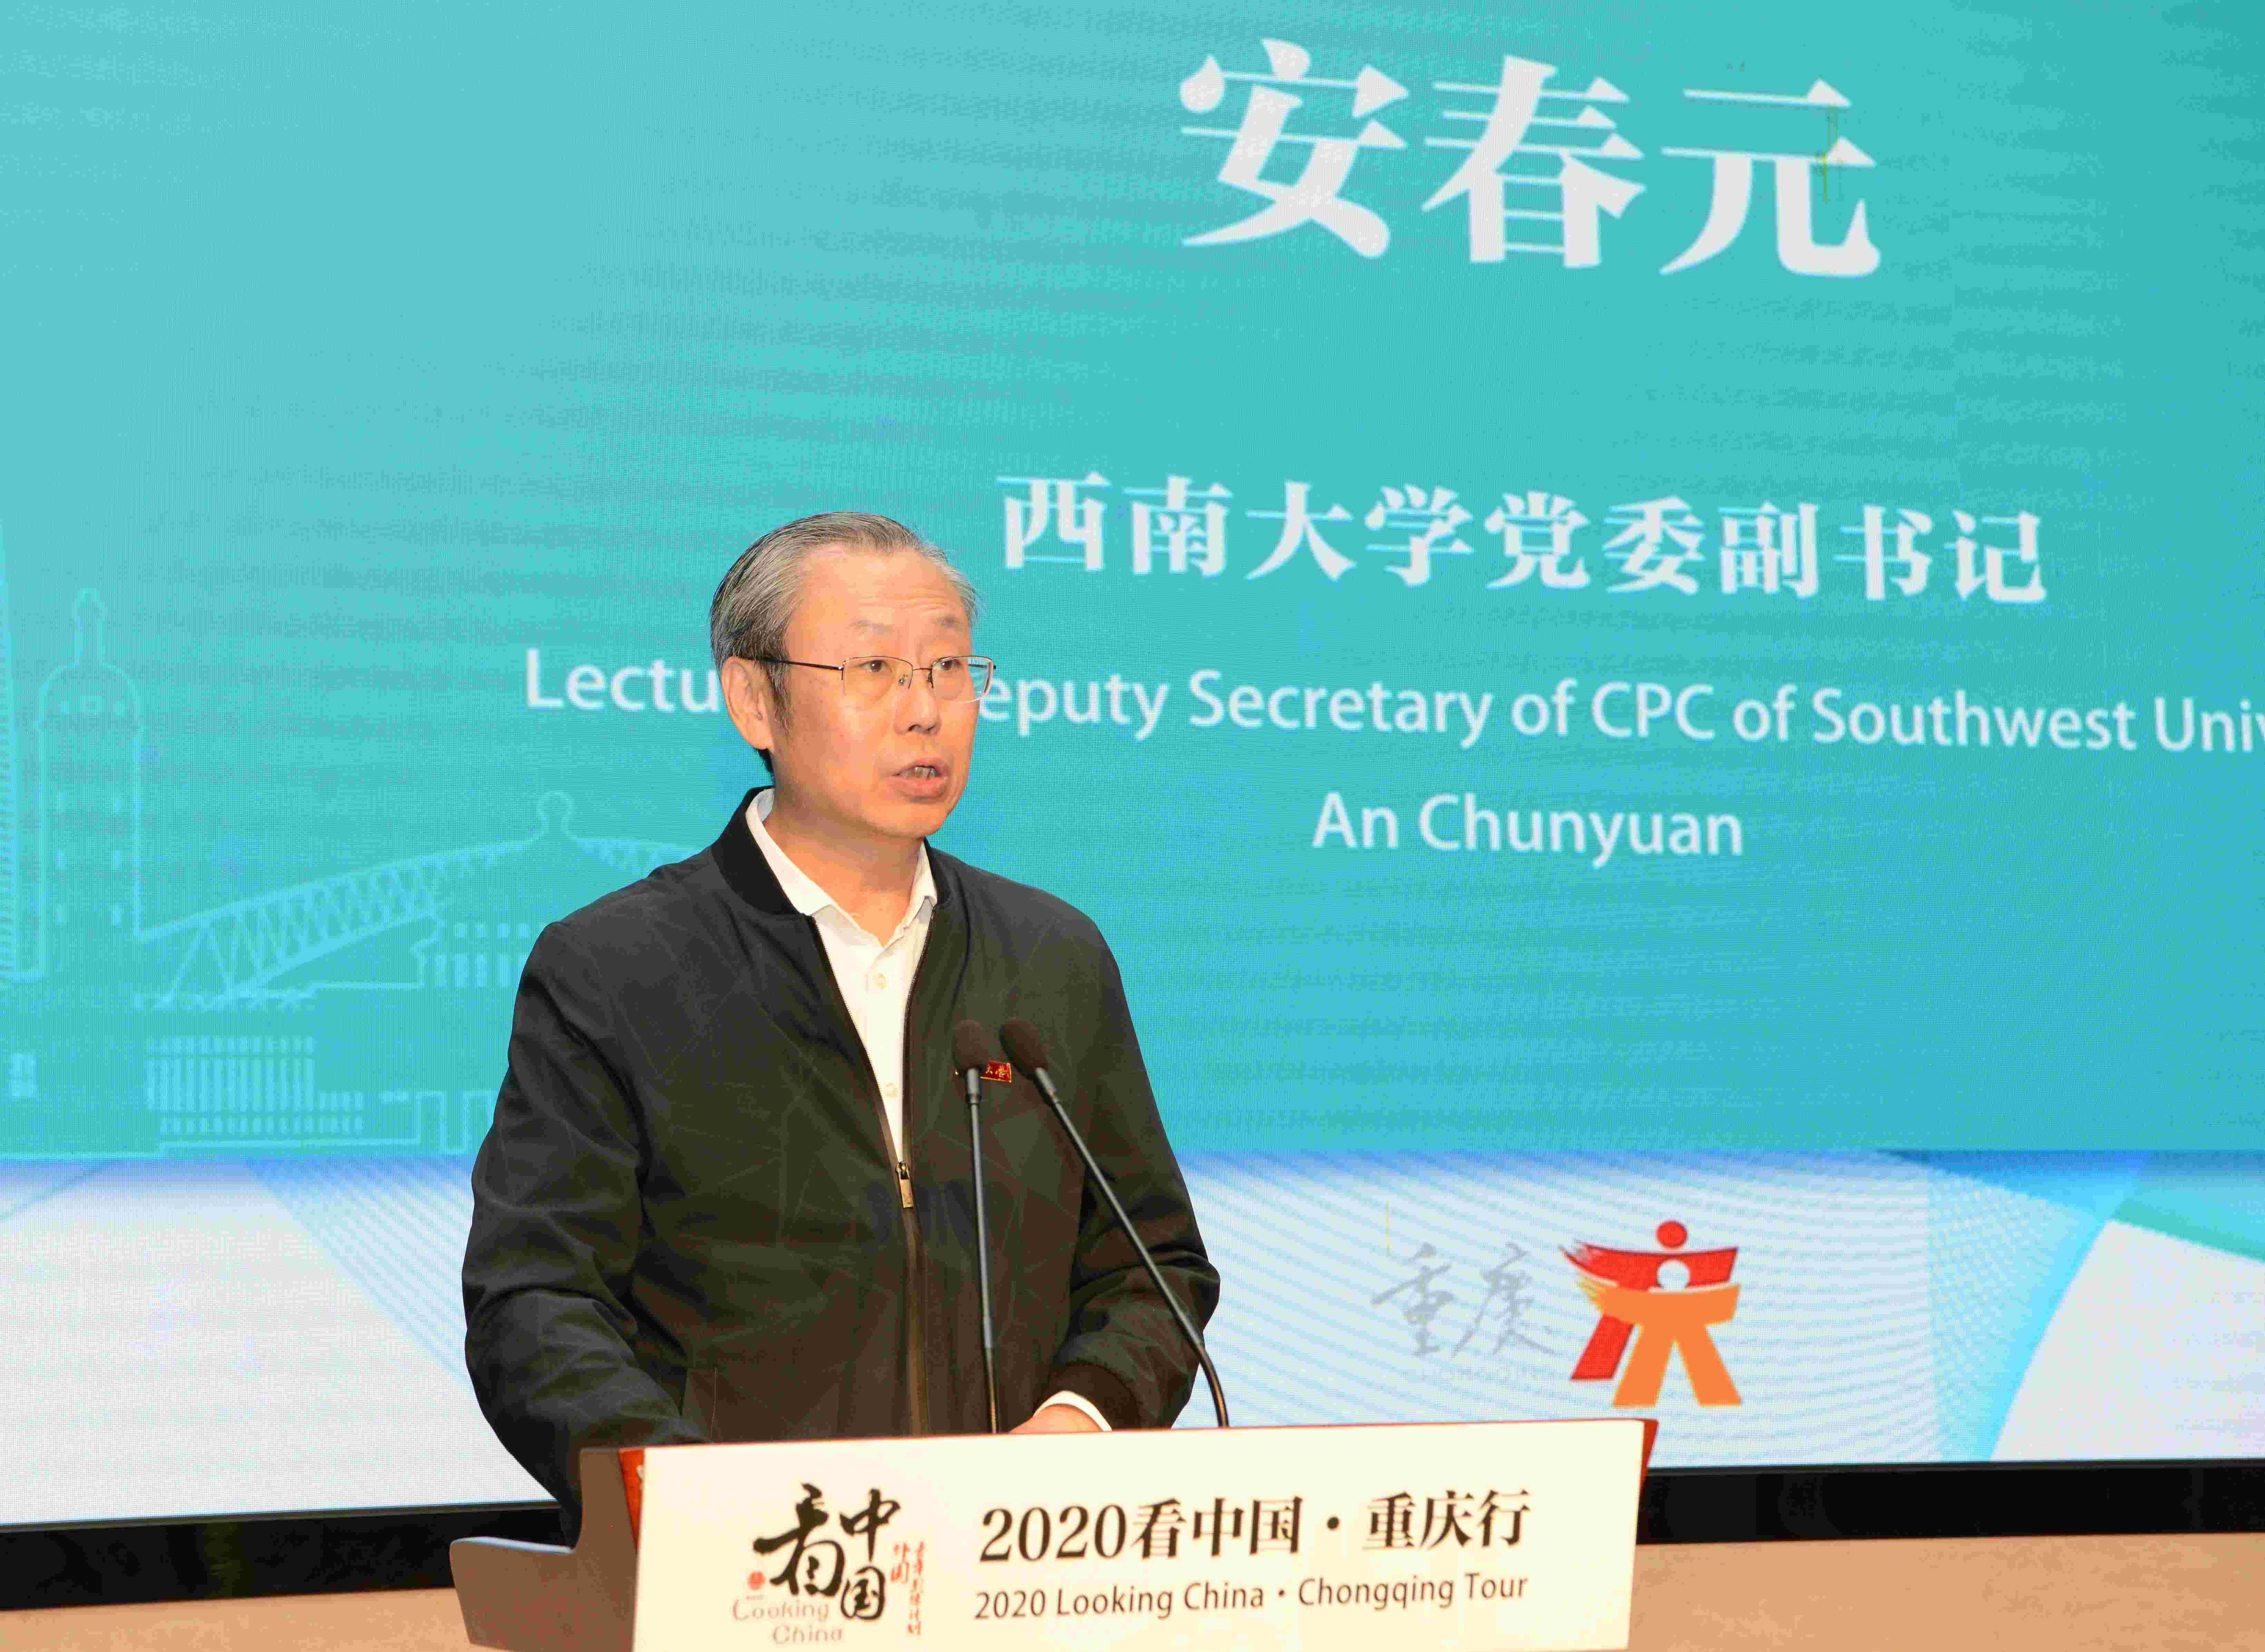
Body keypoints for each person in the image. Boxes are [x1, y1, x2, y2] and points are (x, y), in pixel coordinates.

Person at [462, 512, 1219, 1533]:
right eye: (873, 669)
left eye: (949, 668)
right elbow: (535, 1302)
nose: (926, 711)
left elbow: (1151, 1268)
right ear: (753, 698)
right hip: (750, 1571)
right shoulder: (617, 967)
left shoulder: (1051, 960)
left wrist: (1079, 1421)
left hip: (1011, 1563)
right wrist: (694, 1503)